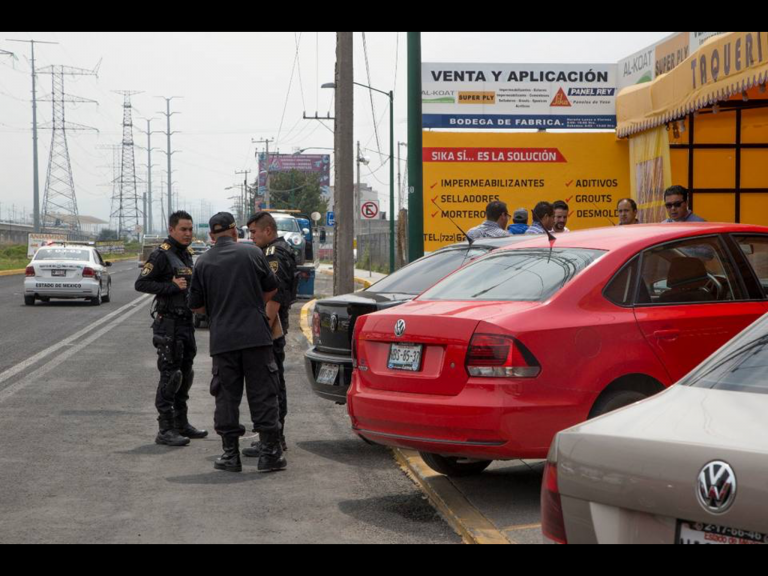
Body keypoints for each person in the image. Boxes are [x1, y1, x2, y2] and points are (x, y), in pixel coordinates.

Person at [188, 212, 285, 474]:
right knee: (263, 394)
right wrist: (252, 300)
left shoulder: (203, 262)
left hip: (223, 340)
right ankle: (269, 454)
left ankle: (230, 455)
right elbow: (272, 289)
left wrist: (219, 307)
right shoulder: (253, 254)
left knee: (226, 398)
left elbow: (196, 307)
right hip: (256, 337)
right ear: (234, 232)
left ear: (210, 236)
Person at [135, 211, 208, 447]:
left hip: (186, 323)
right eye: (183, 229)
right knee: (171, 376)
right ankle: (165, 429)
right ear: (171, 229)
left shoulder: (185, 255)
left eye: (190, 229)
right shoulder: (161, 255)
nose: (188, 233)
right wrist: (170, 285)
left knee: (186, 375)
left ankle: (181, 423)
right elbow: (142, 283)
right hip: (169, 325)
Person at [242, 212, 297, 458]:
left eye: (254, 232)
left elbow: (274, 296)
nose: (251, 237)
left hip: (271, 330)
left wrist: (262, 329)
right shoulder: (273, 251)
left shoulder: (274, 254)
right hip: (272, 327)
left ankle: (275, 438)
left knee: (271, 384)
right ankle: (272, 437)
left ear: (268, 231)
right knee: (270, 382)